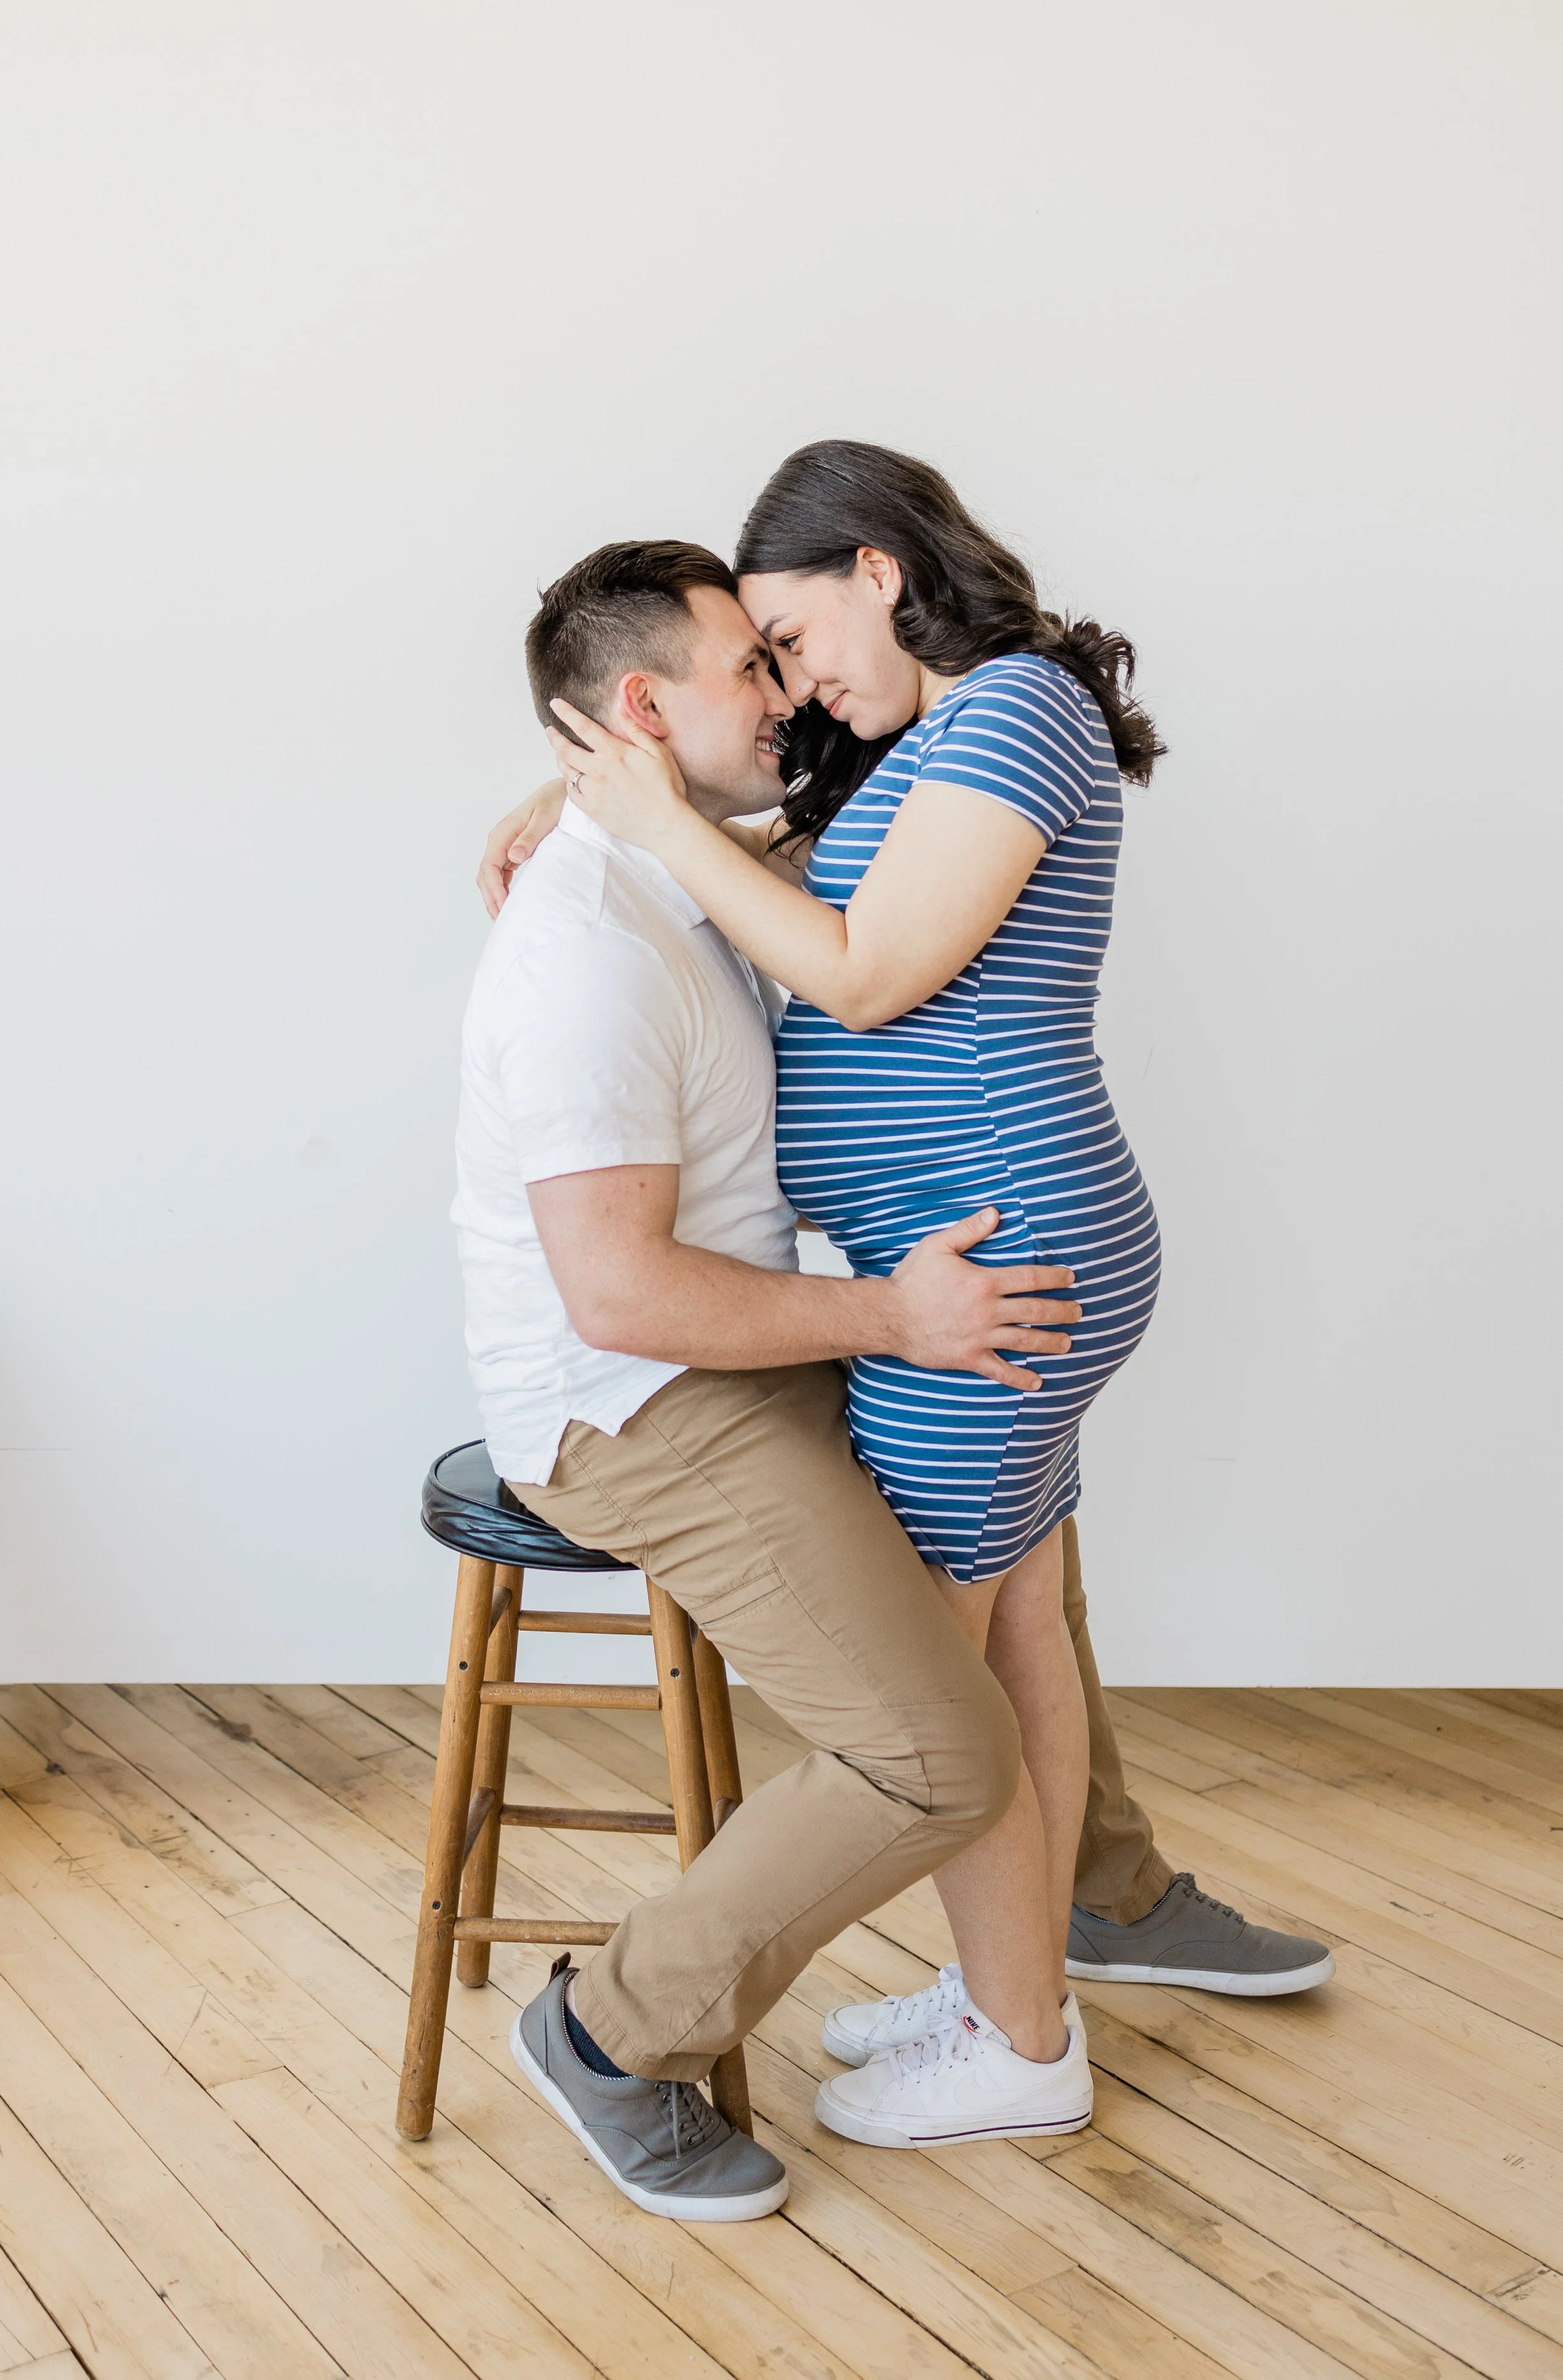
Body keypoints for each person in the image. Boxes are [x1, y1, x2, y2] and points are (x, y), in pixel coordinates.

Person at [493, 445, 1332, 2148]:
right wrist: (579, 805)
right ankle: (1013, 1986)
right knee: (1009, 1627)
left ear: (877, 568)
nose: (798, 688)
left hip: (987, 1265)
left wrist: (647, 812)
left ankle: (1015, 2041)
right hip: (972, 1256)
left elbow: (867, 969)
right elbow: (798, 844)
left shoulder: (1010, 707)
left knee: (923, 1718)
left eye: (792, 637)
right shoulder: (928, 734)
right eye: (761, 664)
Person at [457, 538, 1098, 2223]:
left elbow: (827, 864)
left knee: (1020, 1561)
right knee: (938, 1752)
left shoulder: (681, 864)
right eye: (752, 665)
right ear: (647, 711)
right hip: (630, 1403)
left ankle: (1098, 1914)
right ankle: (608, 2031)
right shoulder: (583, 948)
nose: (788, 690)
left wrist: (557, 793)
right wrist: (893, 1318)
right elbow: (618, 1287)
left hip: (736, 1351)